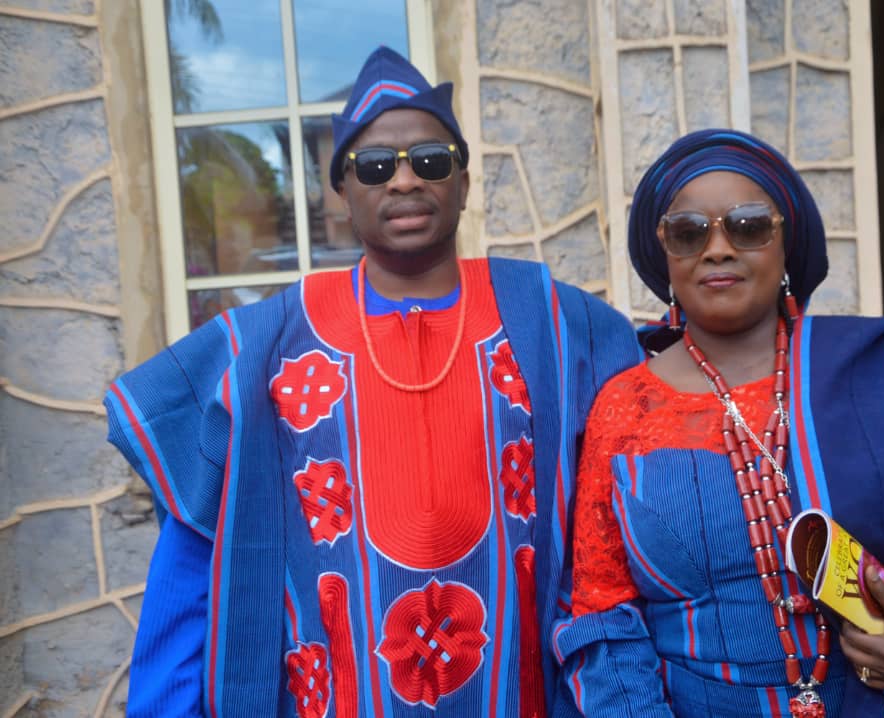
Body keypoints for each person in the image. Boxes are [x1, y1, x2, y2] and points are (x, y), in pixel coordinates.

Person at [105, 46, 640, 717]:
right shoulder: (264, 347)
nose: (405, 181)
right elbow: (196, 544)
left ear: (465, 183)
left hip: (520, 692)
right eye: (377, 166)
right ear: (342, 193)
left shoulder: (561, 326)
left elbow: (631, 517)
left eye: (432, 161)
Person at [553, 129, 884, 716]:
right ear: (663, 254)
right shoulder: (624, 406)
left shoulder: (871, 376)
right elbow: (602, 609)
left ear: (785, 247)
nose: (717, 248)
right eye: (689, 232)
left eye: (747, 226)